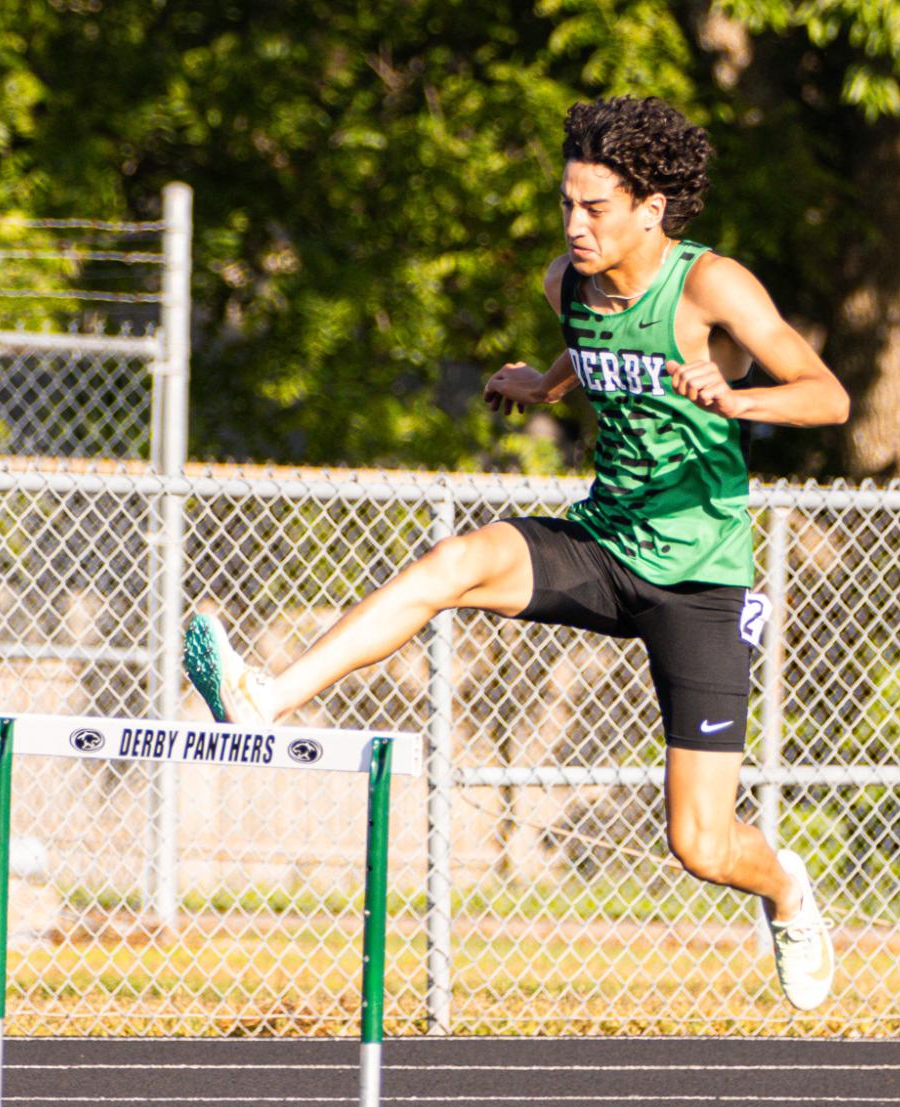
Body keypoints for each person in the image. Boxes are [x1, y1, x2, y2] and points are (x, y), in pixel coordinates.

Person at [182, 96, 848, 1010]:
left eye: (594, 209)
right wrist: (543, 382)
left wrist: (740, 402)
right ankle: (266, 697)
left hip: (699, 580)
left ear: (649, 209)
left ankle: (784, 889)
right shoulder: (565, 282)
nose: (573, 226)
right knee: (452, 564)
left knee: (698, 845)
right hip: (602, 540)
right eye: (565, 205)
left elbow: (827, 397)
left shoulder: (710, 287)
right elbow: (590, 344)